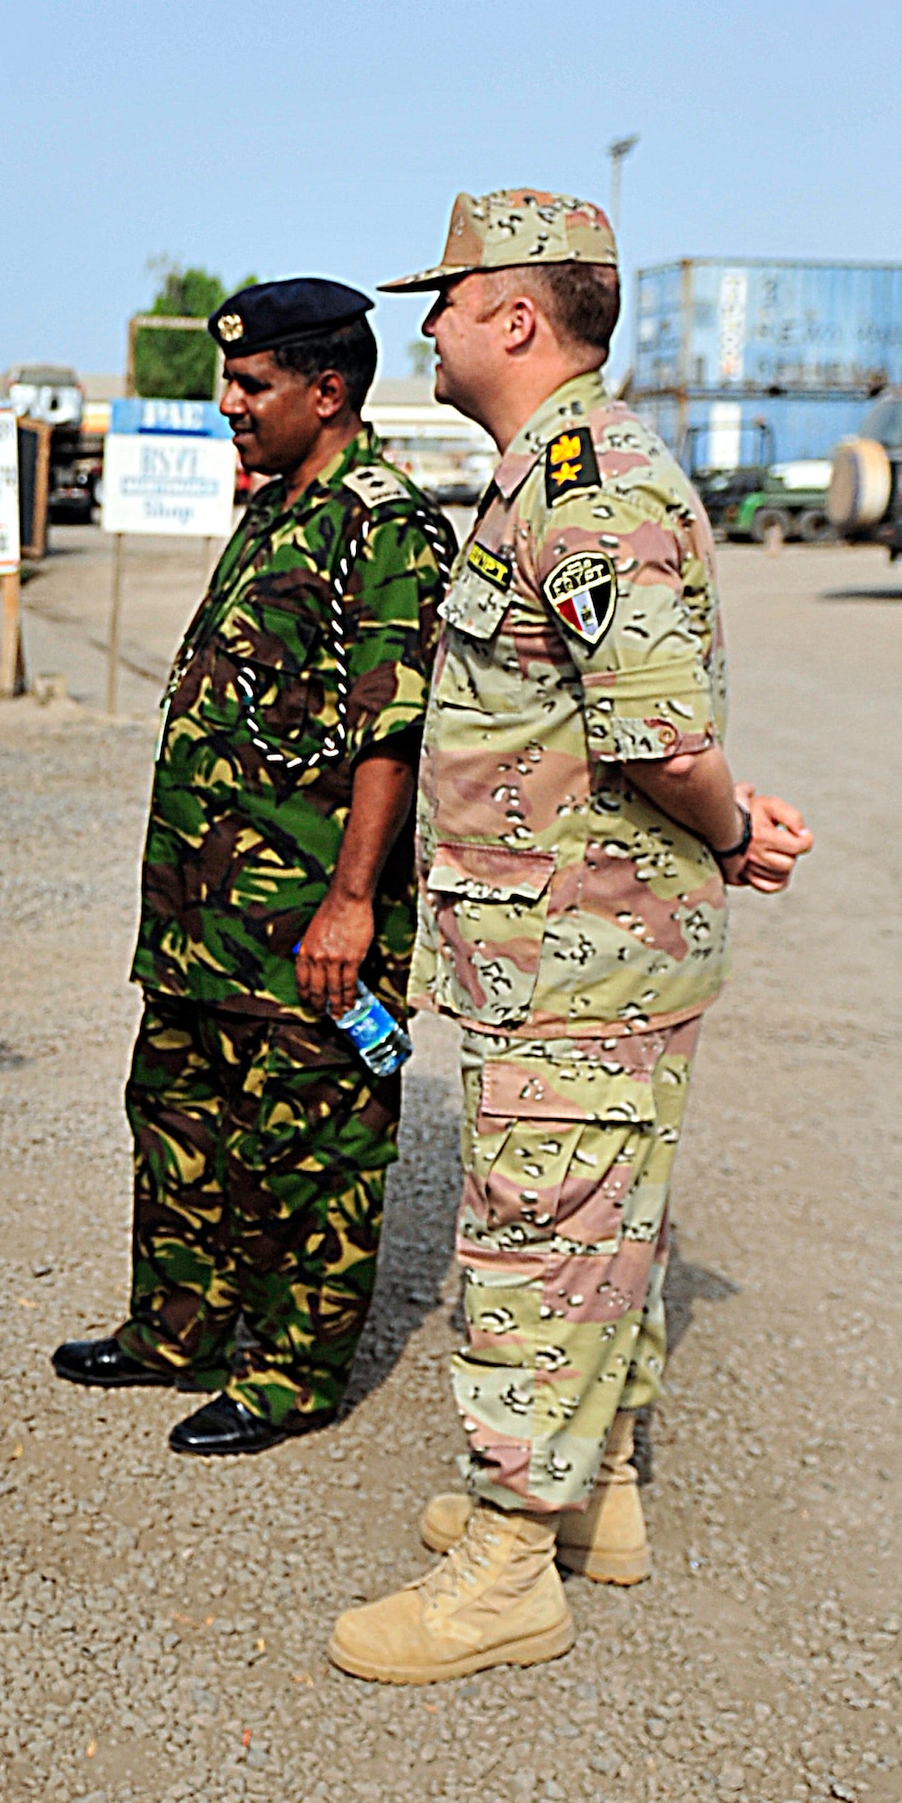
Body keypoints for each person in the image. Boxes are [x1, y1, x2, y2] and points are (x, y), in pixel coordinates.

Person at [327, 189, 814, 1684]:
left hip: (580, 957)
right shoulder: (543, 473)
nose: (425, 327)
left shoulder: (591, 483)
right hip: (553, 951)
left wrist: (731, 831)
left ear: (515, 318)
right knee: (594, 1225)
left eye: (447, 301)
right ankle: (593, 1495)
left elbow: (659, 741)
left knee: (540, 1242)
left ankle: (504, 1566)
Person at [52, 279, 454, 1454]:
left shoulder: (379, 522)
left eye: (250, 383)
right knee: (179, 1118)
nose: (228, 401)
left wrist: (349, 905)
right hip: (201, 918)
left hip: (301, 924)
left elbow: (394, 729)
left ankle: (288, 1374)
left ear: (327, 391)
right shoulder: (279, 504)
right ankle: (175, 1326)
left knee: (307, 1146)